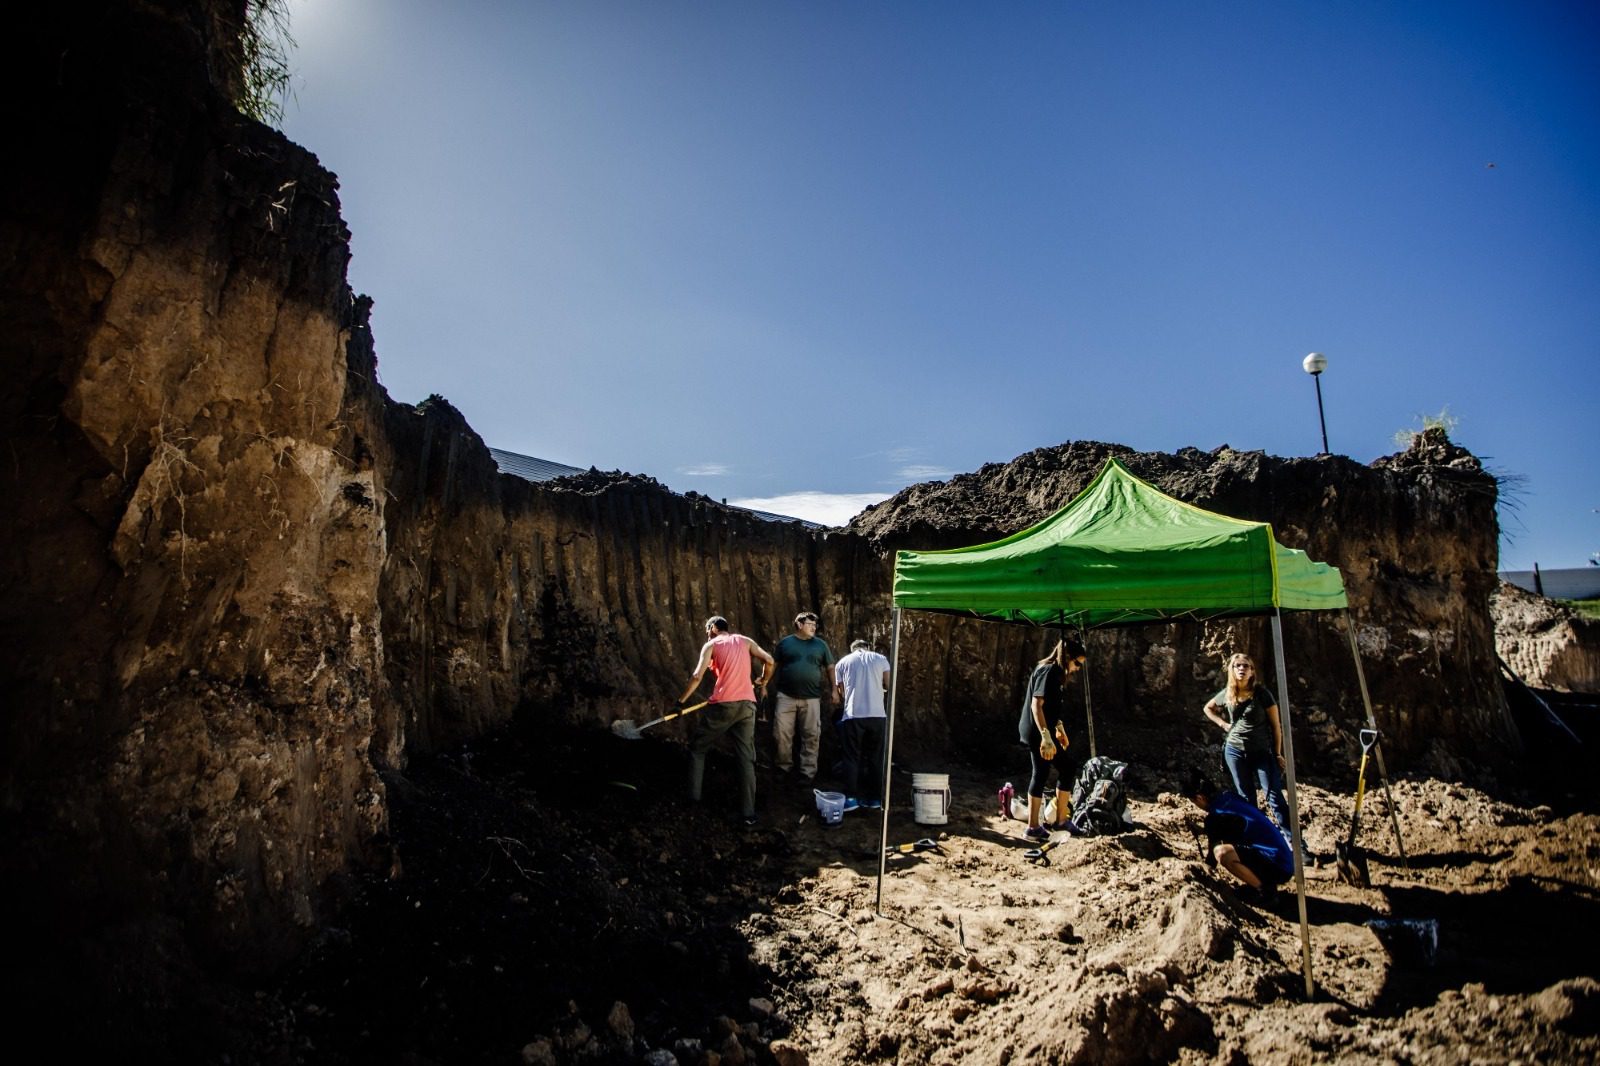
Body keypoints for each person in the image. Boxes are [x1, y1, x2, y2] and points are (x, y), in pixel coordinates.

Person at [678, 616, 775, 826]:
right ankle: (748, 814)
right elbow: (769, 660)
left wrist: (681, 702)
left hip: (723, 705)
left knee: (698, 748)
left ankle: (693, 801)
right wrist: (763, 680)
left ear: (713, 627)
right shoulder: (745, 641)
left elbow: (697, 676)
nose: (707, 633)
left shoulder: (711, 644)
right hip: (748, 705)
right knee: (746, 758)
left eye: (707, 629)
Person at [1201, 653, 1294, 836]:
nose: (1242, 669)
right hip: (1234, 751)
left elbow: (1276, 727)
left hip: (1260, 751)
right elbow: (1208, 708)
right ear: (1232, 670)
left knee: (1274, 797)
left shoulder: (1262, 694)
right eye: (1237, 666)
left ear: (1252, 671)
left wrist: (1277, 753)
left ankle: (1297, 844)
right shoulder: (1228, 693)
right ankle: (1257, 838)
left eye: (1246, 666)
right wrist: (1223, 724)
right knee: (1246, 798)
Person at [1016, 636, 1088, 842]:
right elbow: (1036, 706)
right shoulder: (1049, 671)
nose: (1077, 669)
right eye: (1077, 663)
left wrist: (1059, 728)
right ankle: (1039, 826)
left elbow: (1051, 707)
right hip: (1037, 730)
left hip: (1043, 728)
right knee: (1051, 770)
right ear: (1068, 657)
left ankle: (1054, 822)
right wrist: (1046, 737)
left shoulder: (1055, 672)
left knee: (1056, 769)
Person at [1184, 774, 1295, 903]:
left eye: (1194, 801)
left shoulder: (1215, 817)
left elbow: (1212, 859)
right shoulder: (1229, 797)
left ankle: (1265, 891)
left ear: (1200, 798)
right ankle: (1260, 884)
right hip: (1284, 860)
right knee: (1232, 849)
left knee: (1222, 853)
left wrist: (1203, 877)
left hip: (1278, 866)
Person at [771, 611, 835, 780]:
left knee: (811, 735)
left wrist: (834, 689)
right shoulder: (785, 644)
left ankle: (807, 773)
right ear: (799, 625)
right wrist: (763, 684)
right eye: (809, 624)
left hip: (811, 698)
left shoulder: (821, 645)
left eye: (815, 625)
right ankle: (783, 767)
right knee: (781, 734)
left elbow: (830, 667)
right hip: (786, 697)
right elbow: (773, 664)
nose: (813, 627)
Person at [832, 638, 890, 812]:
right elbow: (888, 684)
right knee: (875, 757)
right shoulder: (880, 659)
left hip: (853, 715)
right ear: (867, 647)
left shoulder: (842, 662)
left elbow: (841, 691)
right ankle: (874, 799)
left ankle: (851, 799)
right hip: (878, 715)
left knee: (851, 756)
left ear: (852, 649)